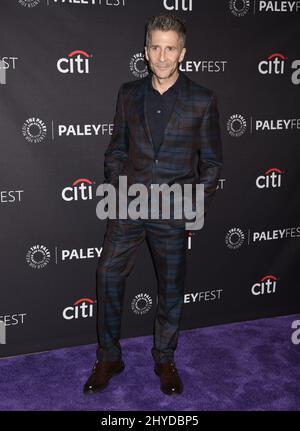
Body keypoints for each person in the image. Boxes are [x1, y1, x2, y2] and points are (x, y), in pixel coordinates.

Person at [83, 13, 223, 396]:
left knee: (171, 289)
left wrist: (190, 206)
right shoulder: (129, 93)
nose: (162, 56)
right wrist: (118, 190)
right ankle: (109, 356)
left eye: (170, 48)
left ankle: (164, 358)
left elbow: (211, 164)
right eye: (155, 47)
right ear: (145, 51)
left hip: (173, 211)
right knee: (108, 275)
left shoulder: (202, 99)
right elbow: (115, 151)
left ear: (182, 53)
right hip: (128, 206)